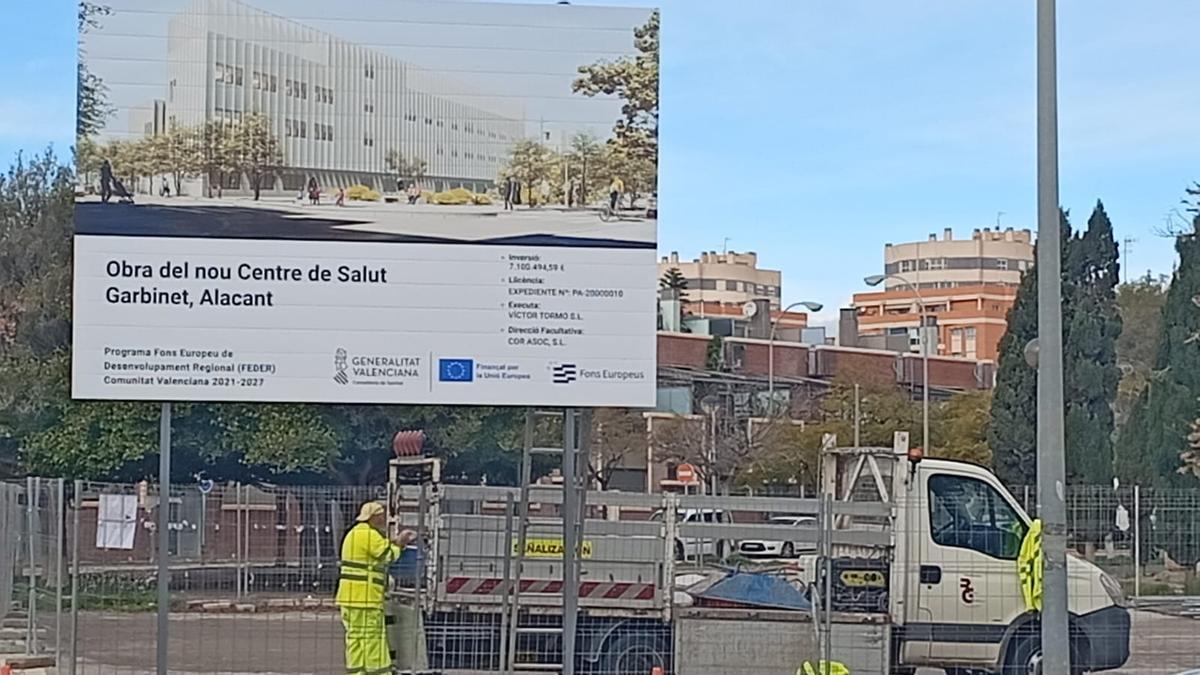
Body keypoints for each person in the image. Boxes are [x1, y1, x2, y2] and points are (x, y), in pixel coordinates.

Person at [336, 501, 416, 675]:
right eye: (381, 515)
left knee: (354, 637)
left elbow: (375, 552)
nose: (383, 519)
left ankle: (357, 672)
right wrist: (401, 543)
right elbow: (387, 555)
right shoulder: (370, 535)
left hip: (348, 597)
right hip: (366, 598)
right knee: (373, 638)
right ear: (374, 517)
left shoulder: (354, 534)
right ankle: (379, 672)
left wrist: (392, 542)